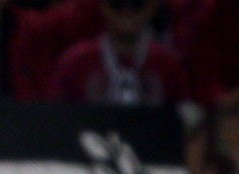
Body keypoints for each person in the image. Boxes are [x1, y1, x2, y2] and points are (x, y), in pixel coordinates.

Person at [46, 0, 190, 105]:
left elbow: (187, 121)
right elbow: (56, 118)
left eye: (137, 4)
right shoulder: (75, 62)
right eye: (117, 3)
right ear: (103, 6)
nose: (127, 12)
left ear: (152, 6)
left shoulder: (169, 64)